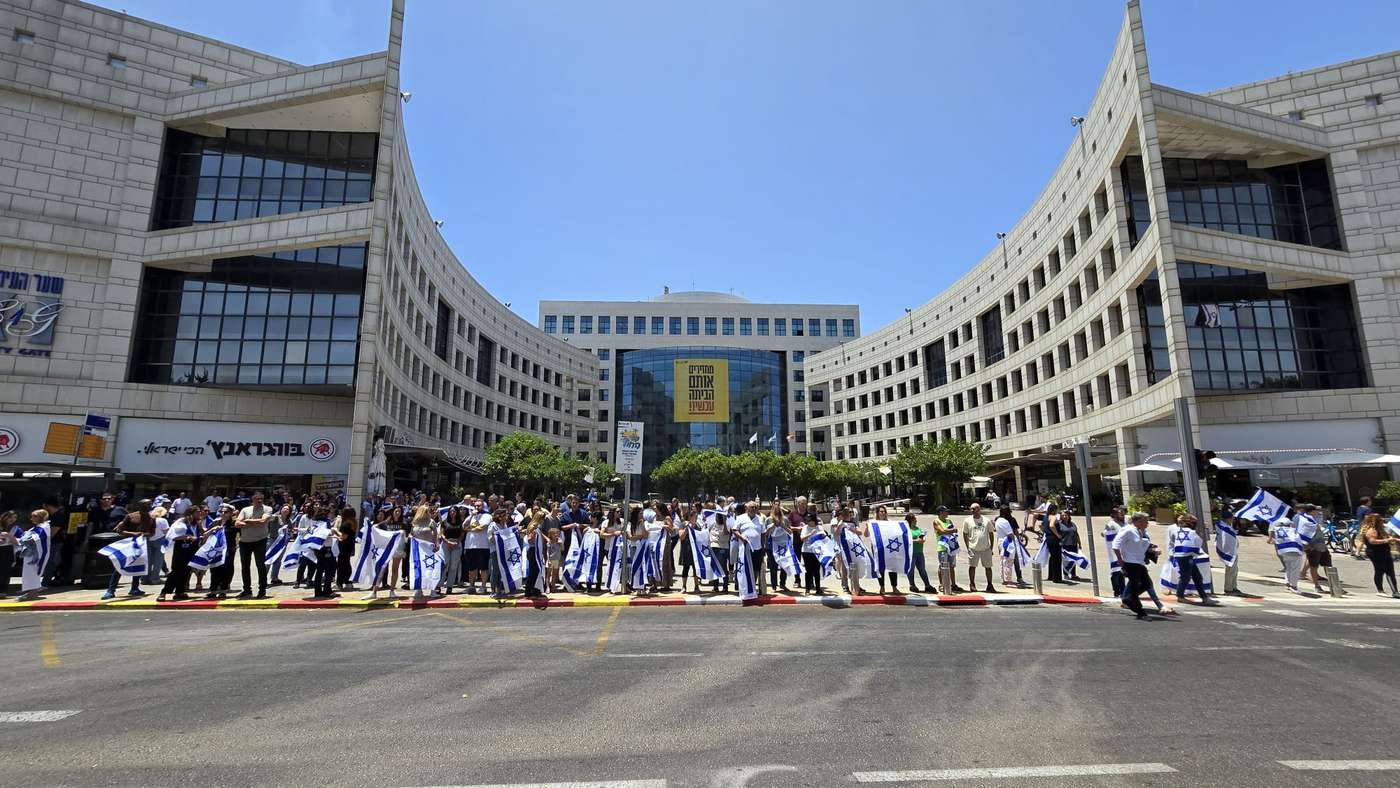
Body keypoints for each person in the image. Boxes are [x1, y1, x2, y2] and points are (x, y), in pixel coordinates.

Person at [1114, 511, 1160, 620]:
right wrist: (1120, 560)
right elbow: (1115, 545)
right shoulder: (1128, 530)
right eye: (1146, 521)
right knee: (1135, 587)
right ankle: (1140, 612)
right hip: (1130, 563)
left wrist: (1152, 550)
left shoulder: (1138, 531)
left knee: (1147, 584)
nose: (1147, 524)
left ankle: (1128, 598)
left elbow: (1139, 545)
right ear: (1138, 521)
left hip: (1139, 563)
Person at [103, 506, 153, 600]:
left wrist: (144, 534)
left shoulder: (150, 518)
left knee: (138, 566)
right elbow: (119, 530)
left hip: (141, 545)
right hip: (128, 544)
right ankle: (111, 590)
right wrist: (133, 534)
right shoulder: (130, 516)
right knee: (119, 566)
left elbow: (152, 532)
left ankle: (134, 588)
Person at [1166, 514, 1214, 605]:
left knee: (1196, 577)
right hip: (1187, 556)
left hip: (1180, 555)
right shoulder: (1191, 532)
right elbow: (1198, 542)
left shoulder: (1177, 531)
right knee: (1185, 577)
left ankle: (1204, 597)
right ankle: (1180, 596)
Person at [157, 507, 202, 601]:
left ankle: (179, 592)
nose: (199, 514)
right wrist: (188, 537)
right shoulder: (181, 522)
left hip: (191, 549)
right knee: (176, 572)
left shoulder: (196, 523)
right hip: (181, 550)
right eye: (197, 512)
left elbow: (199, 535)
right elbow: (173, 537)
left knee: (186, 571)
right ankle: (164, 592)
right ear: (191, 513)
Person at [235, 492, 272, 599]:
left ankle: (262, 590)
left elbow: (263, 521)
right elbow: (237, 524)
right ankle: (247, 590)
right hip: (244, 542)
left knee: (260, 566)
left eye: (261, 499)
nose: (260, 501)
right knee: (245, 567)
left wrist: (246, 521)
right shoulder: (245, 510)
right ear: (253, 499)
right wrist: (254, 522)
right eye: (257, 499)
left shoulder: (267, 509)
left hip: (260, 541)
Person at [204, 504, 239, 600]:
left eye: (226, 512)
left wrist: (236, 545)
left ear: (231, 513)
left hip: (228, 549)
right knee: (214, 568)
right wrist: (212, 529)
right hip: (216, 549)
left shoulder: (234, 523)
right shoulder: (216, 522)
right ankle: (213, 590)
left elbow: (241, 534)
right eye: (221, 512)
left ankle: (223, 590)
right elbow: (206, 534)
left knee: (225, 569)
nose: (223, 514)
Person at [1359, 513, 1399, 598]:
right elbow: (1372, 541)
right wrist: (1387, 540)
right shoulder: (1371, 530)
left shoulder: (1381, 529)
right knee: (1380, 571)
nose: (1382, 520)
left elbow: (1389, 537)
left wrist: (1394, 539)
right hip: (1375, 552)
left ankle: (1395, 591)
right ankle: (1380, 590)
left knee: (1390, 571)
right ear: (1375, 521)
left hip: (1385, 551)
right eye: (1380, 519)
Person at [17, 509, 52, 602]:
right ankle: (31, 591)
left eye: (34, 516)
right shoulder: (37, 527)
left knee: (34, 571)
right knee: (28, 572)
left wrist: (27, 537)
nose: (31, 518)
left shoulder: (44, 526)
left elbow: (38, 538)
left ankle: (33, 592)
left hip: (38, 553)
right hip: (31, 552)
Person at [962, 503, 997, 593]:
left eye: (975, 509)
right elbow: (965, 534)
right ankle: (972, 584)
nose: (973, 511)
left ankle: (990, 584)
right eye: (972, 509)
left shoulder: (986, 520)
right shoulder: (967, 521)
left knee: (988, 567)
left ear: (979, 509)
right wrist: (967, 547)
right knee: (972, 566)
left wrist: (991, 547)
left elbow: (991, 533)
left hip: (985, 548)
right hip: (973, 547)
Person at [733, 501, 767, 595]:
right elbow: (734, 530)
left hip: (757, 549)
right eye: (751, 507)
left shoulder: (760, 519)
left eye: (755, 507)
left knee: (756, 569)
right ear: (746, 508)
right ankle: (742, 588)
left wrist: (763, 546)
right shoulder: (740, 518)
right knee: (743, 568)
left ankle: (752, 587)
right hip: (744, 549)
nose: (754, 509)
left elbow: (763, 533)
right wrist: (741, 537)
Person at [1269, 512, 1306, 595]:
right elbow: (1298, 540)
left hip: (1283, 552)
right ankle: (1294, 586)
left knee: (1288, 568)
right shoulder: (1292, 531)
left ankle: (1288, 583)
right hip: (1294, 551)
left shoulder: (1278, 531)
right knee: (1295, 570)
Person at [1296, 504, 1330, 594]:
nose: (1317, 512)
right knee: (1314, 566)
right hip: (1313, 547)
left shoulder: (1312, 519)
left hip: (1322, 545)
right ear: (1311, 511)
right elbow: (1302, 535)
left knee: (1328, 565)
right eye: (1315, 511)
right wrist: (1309, 547)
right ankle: (1317, 586)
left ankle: (1333, 584)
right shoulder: (1304, 521)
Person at [836, 509, 870, 595]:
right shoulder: (841, 523)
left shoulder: (853, 524)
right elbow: (836, 533)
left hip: (853, 548)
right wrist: (839, 526)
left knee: (854, 566)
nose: (851, 515)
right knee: (844, 568)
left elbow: (860, 532)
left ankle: (856, 585)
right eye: (849, 513)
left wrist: (853, 530)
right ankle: (845, 586)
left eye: (851, 513)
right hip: (844, 548)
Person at [933, 505, 964, 593]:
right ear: (941, 512)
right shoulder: (936, 521)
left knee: (951, 566)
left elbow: (952, 529)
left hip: (950, 546)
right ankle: (941, 584)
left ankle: (953, 584)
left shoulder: (949, 520)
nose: (947, 513)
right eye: (945, 511)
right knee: (942, 565)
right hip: (942, 546)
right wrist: (952, 531)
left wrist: (950, 531)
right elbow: (941, 531)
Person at [463, 505, 492, 594]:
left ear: (482, 506)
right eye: (475, 505)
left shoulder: (487, 516)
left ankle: (483, 586)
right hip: (470, 545)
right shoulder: (470, 516)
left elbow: (481, 528)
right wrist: (472, 516)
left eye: (479, 505)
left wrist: (469, 529)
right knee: (471, 568)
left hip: (483, 545)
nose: (476, 507)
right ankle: (471, 586)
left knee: (483, 567)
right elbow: (464, 527)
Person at [439, 506, 465, 594]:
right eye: (451, 511)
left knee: (453, 566)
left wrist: (455, 542)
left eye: (454, 511)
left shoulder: (461, 522)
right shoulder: (444, 522)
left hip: (457, 544)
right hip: (446, 544)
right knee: (445, 564)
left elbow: (462, 535)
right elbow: (441, 534)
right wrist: (448, 542)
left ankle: (449, 586)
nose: (452, 513)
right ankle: (439, 585)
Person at [908, 512, 934, 593]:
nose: (916, 520)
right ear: (911, 520)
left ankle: (927, 585)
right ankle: (912, 585)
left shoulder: (918, 529)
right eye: (914, 519)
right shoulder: (907, 529)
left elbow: (922, 536)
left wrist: (922, 538)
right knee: (911, 569)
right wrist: (916, 540)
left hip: (919, 552)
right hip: (911, 552)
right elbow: (906, 540)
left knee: (922, 569)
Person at [1103, 507, 1127, 596]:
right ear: (1114, 515)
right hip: (1114, 552)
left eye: (1123, 513)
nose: (1122, 515)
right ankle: (1117, 591)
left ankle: (1123, 591)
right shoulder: (1111, 524)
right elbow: (1106, 534)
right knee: (1116, 571)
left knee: (1122, 572)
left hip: (1124, 551)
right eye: (1120, 513)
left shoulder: (1124, 524)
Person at [334, 507, 358, 591]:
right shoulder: (353, 522)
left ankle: (340, 583)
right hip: (349, 545)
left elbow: (343, 536)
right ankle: (347, 581)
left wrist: (335, 531)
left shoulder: (346, 524)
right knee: (346, 563)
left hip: (344, 545)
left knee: (341, 564)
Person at [1056, 509, 1082, 582]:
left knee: (1073, 560)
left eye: (1066, 515)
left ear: (1069, 516)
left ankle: (1073, 574)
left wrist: (1079, 543)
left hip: (1073, 544)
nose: (1064, 516)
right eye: (1063, 515)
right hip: (1064, 545)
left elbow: (1076, 534)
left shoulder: (1073, 524)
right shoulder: (1059, 524)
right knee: (1066, 561)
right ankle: (1066, 574)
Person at [1040, 502, 1063, 583]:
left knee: (1052, 557)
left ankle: (1051, 576)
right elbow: (1051, 525)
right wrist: (1057, 534)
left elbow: (1041, 526)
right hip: (1054, 538)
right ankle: (1056, 578)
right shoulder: (1053, 517)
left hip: (1048, 538)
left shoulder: (1046, 517)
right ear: (1054, 510)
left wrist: (1045, 532)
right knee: (1057, 558)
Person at [0, 511, 16, 598]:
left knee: (7, 570)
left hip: (8, 549)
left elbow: (17, 540)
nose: (12, 520)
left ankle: (3, 590)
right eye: (10, 517)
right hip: (2, 549)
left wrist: (9, 536)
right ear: (5, 517)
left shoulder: (14, 528)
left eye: (14, 517)